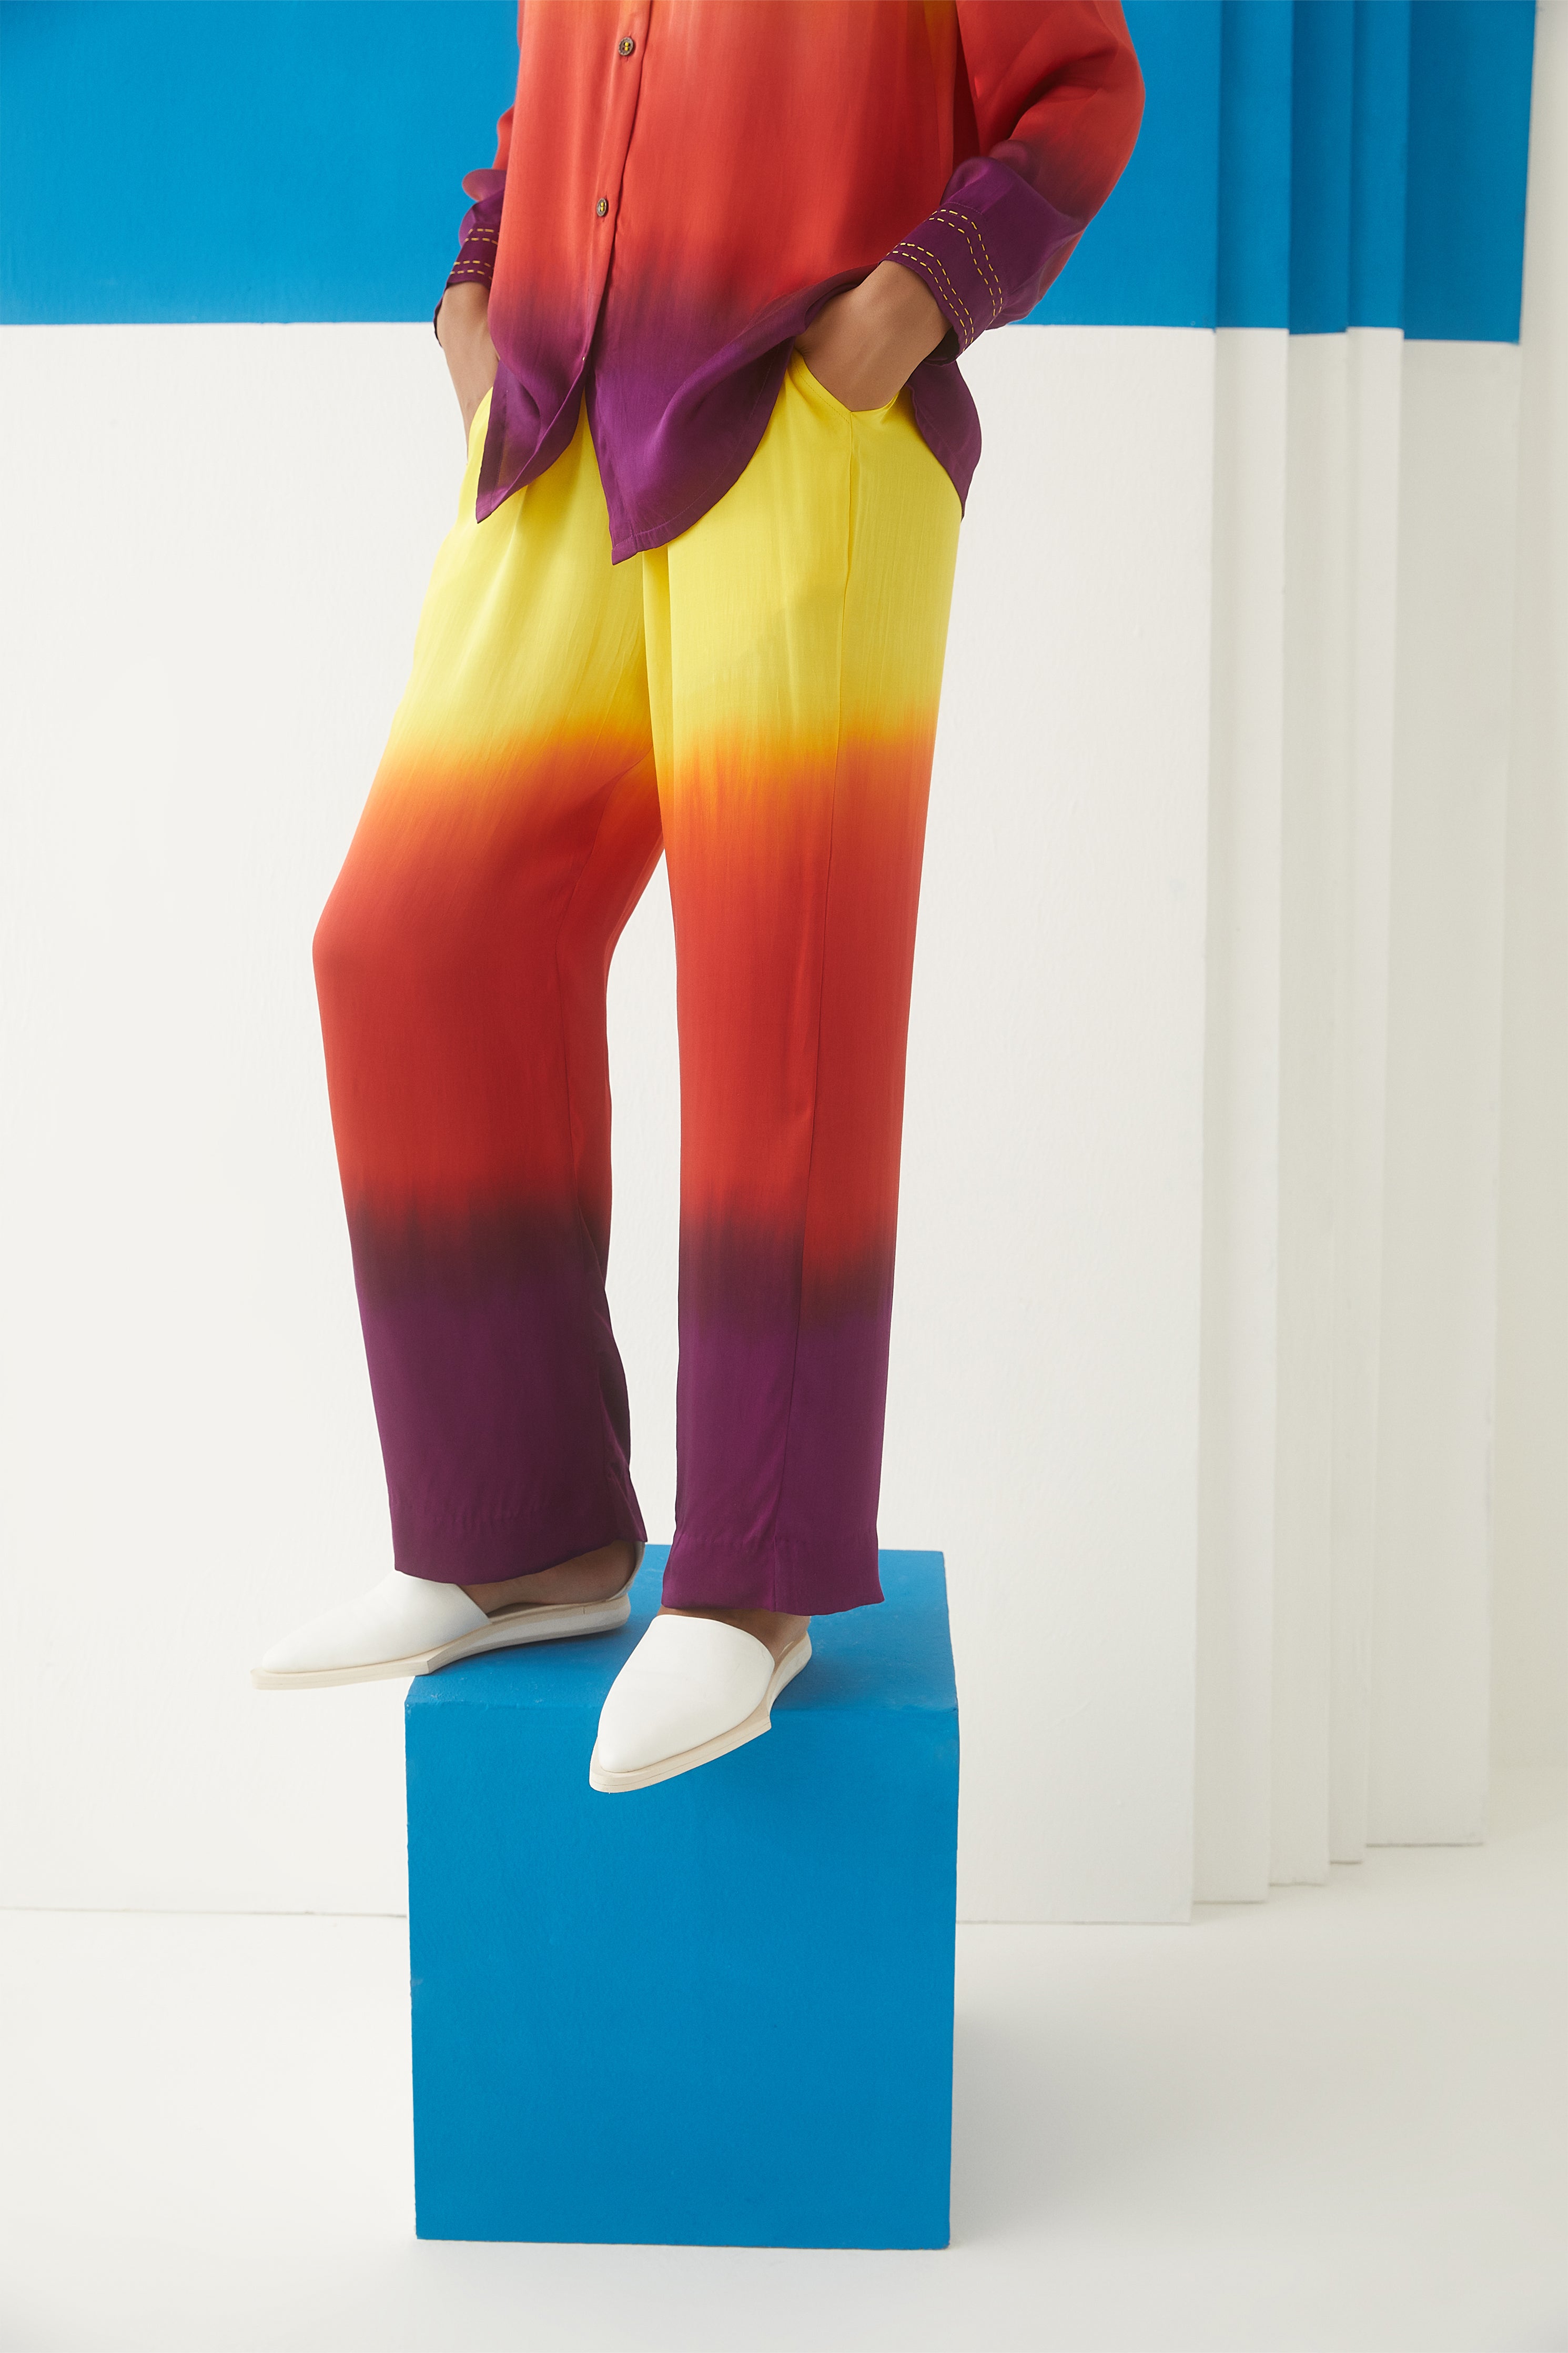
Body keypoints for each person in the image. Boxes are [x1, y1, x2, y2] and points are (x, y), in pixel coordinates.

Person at [253, 1, 1143, 1791]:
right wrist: (477, 281)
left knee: (778, 989)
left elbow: (1078, 86)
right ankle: (522, 1534)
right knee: (414, 946)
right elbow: (569, 83)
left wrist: (912, 306)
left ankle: (754, 1584)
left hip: (804, 419)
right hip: (560, 420)